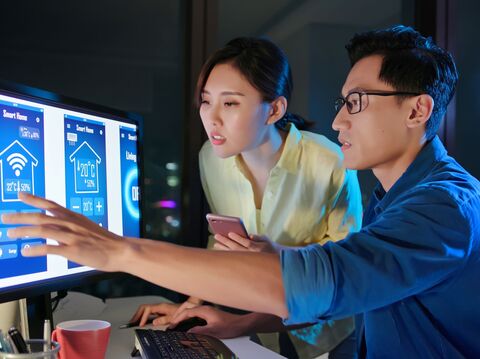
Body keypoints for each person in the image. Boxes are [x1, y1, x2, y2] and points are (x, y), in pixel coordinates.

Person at [5, 25, 480, 357]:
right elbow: (352, 288)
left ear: (417, 110)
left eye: (356, 103)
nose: (338, 121)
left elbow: (324, 283)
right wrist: (242, 319)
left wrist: (119, 250)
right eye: (342, 103)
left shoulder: (442, 207)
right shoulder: (394, 198)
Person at [130, 37, 363, 358]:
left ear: (274, 110)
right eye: (206, 101)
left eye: (230, 103)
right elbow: (222, 243)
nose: (211, 118)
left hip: (327, 333)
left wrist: (275, 266)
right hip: (257, 325)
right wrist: (191, 306)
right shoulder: (210, 158)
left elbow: (344, 275)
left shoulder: (328, 161)